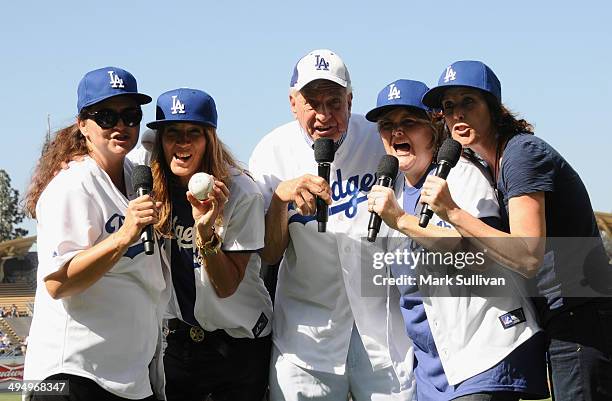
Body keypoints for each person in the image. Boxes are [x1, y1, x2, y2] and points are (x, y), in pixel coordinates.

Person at [418, 60, 612, 401]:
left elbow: (526, 255)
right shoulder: (494, 163)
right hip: (561, 315)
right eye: (449, 107)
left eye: (468, 102)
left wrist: (452, 211)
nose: (457, 114)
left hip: (580, 314)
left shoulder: (521, 154)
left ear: (493, 107)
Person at [366, 79, 549, 401]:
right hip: (431, 368)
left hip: (483, 351)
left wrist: (401, 221)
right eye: (387, 125)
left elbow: (471, 252)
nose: (396, 132)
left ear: (435, 128)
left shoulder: (460, 173)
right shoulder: (390, 191)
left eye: (409, 122)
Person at [249, 49, 415, 401]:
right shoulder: (270, 152)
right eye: (312, 102)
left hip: (383, 333)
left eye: (334, 102)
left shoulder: (378, 138)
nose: (324, 115)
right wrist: (280, 201)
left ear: (351, 100)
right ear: (293, 103)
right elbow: (269, 253)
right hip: (307, 339)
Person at [22, 67, 169, 401]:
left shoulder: (136, 176)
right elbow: (58, 283)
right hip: (74, 375)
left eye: (131, 115)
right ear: (82, 125)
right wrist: (122, 236)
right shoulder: (72, 186)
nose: (120, 126)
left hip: (127, 377)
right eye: (105, 116)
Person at [145, 88, 272, 401]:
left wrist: (205, 233)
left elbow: (226, 285)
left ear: (210, 139)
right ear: (160, 140)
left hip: (239, 342)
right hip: (179, 343)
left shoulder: (241, 191)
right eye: (172, 132)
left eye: (194, 133)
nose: (183, 142)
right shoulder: (149, 188)